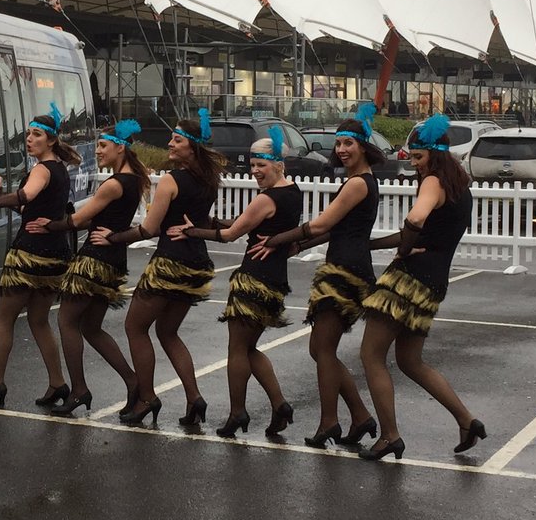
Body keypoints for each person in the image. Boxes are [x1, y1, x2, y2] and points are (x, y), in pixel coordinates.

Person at [249, 104, 382, 449]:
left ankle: (329, 422)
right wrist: (298, 246)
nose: (341, 149)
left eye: (348, 143)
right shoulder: (359, 181)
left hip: (346, 272)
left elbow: (323, 223)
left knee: (322, 349)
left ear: (363, 146)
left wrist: (280, 238)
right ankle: (359, 416)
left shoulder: (358, 184)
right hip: (348, 265)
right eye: (338, 143)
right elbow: (331, 229)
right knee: (323, 349)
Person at [357, 114, 486, 461]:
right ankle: (466, 420)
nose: (413, 164)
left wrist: (401, 250)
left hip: (409, 279)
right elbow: (424, 233)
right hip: (434, 280)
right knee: (410, 361)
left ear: (435, 155)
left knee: (371, 355)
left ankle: (389, 436)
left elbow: (414, 221)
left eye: (418, 157)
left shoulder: (433, 182)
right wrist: (372, 245)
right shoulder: (461, 187)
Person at [91, 109, 225, 426]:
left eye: (176, 140)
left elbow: (148, 229)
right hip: (196, 262)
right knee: (167, 331)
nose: (169, 143)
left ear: (191, 147)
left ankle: (148, 397)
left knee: (135, 328)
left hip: (170, 262)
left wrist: (114, 238)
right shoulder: (208, 180)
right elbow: (201, 221)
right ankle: (194, 398)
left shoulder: (171, 181)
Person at [167, 126, 299, 438]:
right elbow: (243, 224)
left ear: (278, 164)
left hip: (254, 278)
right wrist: (206, 223)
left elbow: (230, 235)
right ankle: (280, 406)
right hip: (276, 279)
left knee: (237, 350)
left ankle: (237, 412)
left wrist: (192, 231)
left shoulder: (267, 198)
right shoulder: (292, 192)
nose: (255, 171)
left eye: (261, 165)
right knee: (250, 348)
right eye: (252, 165)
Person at [24, 119, 149, 417]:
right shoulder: (133, 182)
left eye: (103, 146)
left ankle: (79, 390)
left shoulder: (114, 184)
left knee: (67, 322)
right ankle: (134, 383)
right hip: (115, 260)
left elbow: (79, 220)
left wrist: (49, 224)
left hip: (94, 259)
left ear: (121, 148)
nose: (99, 151)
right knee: (91, 327)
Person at [0, 104, 78, 409]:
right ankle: (57, 382)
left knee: (3, 320)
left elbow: (25, 197)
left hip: (29, 255)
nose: (29, 139)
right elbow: (30, 208)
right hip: (56, 256)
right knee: (39, 320)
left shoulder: (42, 169)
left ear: (51, 141)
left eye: (37, 135)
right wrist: (1, 192)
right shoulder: (59, 169)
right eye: (28, 133)